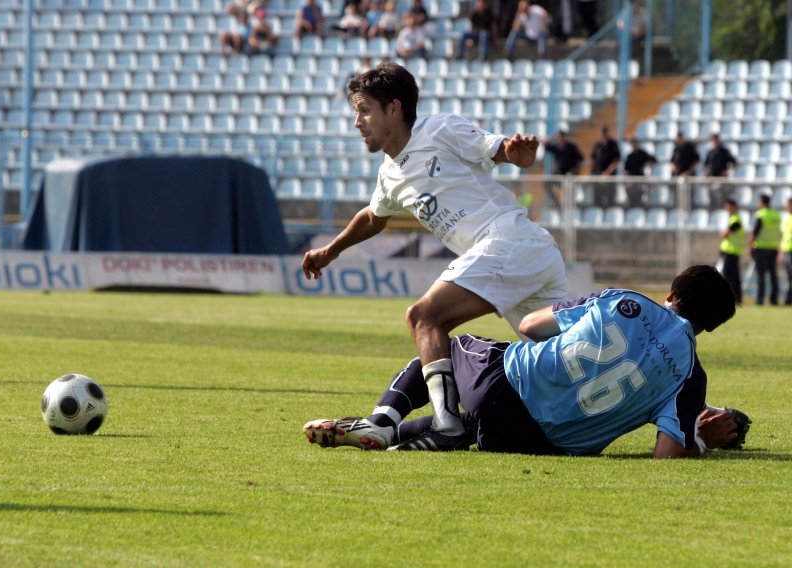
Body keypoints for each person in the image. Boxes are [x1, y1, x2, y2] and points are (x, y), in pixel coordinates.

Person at [301, 62, 567, 450]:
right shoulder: (390, 173)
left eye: (364, 109)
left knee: (423, 316)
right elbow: (374, 217)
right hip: (523, 256)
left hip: (509, 240)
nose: (357, 121)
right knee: (564, 356)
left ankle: (446, 427)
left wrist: (519, 154)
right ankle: (389, 426)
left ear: (394, 108)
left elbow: (501, 151)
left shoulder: (438, 129)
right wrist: (330, 251)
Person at [304, 265, 748, 457]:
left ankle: (382, 420)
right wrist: (703, 440)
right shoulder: (690, 376)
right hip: (538, 443)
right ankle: (404, 434)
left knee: (448, 346)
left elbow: (532, 326)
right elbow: (666, 453)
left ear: (671, 294)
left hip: (504, 386)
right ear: (709, 326)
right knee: (468, 425)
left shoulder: (626, 301)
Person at [749, 193, 782, 306]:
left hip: (761, 248)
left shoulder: (761, 214)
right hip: (773, 248)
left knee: (761, 276)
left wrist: (750, 246)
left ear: (762, 202)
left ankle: (760, 300)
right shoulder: (776, 214)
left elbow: (755, 233)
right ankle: (774, 300)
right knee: (773, 275)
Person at [542, 129, 584, 208]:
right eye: (558, 137)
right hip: (558, 174)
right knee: (546, 183)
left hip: (569, 175)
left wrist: (575, 170)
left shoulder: (572, 147)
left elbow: (580, 159)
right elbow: (545, 144)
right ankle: (557, 203)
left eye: (561, 136)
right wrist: (552, 138)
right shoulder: (557, 146)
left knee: (569, 193)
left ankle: (568, 207)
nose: (559, 138)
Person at [718, 198, 745, 303]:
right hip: (731, 252)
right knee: (733, 276)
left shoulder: (735, 220)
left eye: (728, 206)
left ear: (733, 207)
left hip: (731, 252)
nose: (726, 208)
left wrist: (723, 235)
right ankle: (736, 298)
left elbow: (725, 234)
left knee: (730, 277)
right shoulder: (733, 218)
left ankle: (733, 298)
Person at [590, 125, 620, 209]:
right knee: (598, 196)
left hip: (609, 175)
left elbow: (616, 160)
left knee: (610, 197)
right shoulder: (597, 145)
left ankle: (609, 214)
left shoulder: (613, 144)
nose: (602, 134)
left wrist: (607, 172)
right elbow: (594, 160)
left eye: (604, 132)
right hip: (598, 174)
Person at [623, 137, 657, 208]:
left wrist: (648, 168)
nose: (633, 145)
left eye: (634, 143)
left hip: (640, 179)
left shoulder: (642, 154)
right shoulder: (629, 156)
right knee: (630, 193)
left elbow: (653, 160)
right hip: (632, 180)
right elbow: (626, 170)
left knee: (640, 194)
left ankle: (640, 206)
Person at [781, 197, 792, 305]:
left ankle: (789, 300)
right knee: (789, 277)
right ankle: (789, 300)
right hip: (787, 251)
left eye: (788, 204)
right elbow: (785, 236)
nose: (787, 207)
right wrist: (781, 252)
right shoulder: (787, 218)